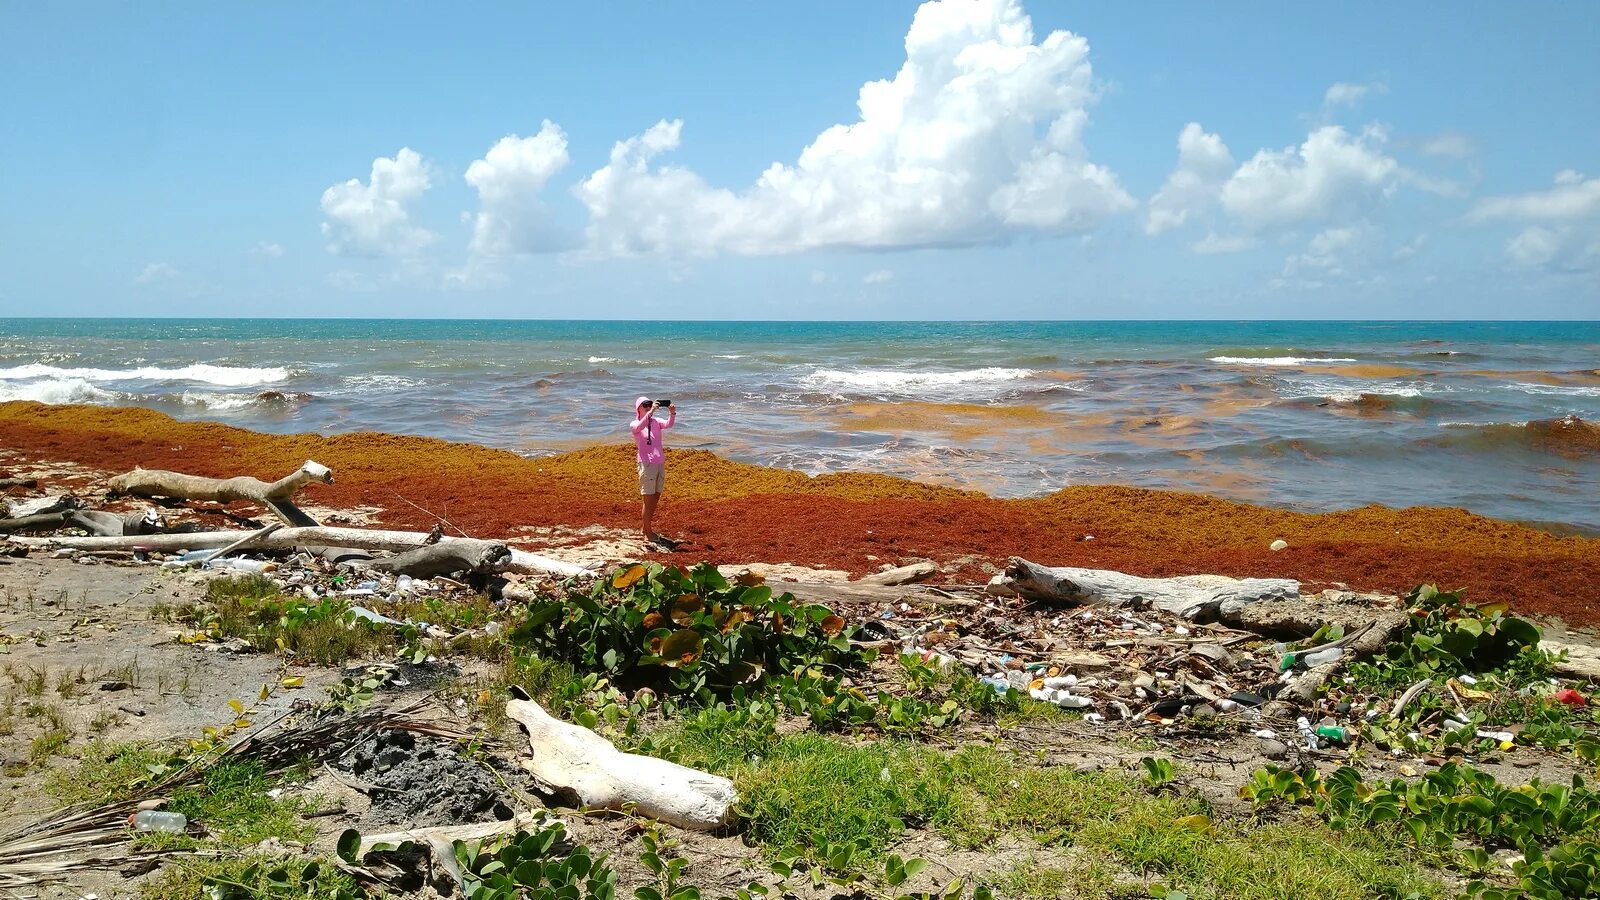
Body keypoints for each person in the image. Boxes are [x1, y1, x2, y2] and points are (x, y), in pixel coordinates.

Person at [630, 396, 675, 544]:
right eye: (645, 405)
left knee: (655, 497)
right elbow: (639, 428)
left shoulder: (655, 422)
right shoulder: (635, 423)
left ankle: (645, 527)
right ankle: (648, 532)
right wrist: (651, 413)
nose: (648, 406)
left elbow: (668, 425)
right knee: (648, 500)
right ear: (638, 408)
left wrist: (672, 413)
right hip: (646, 463)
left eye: (650, 404)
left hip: (659, 462)